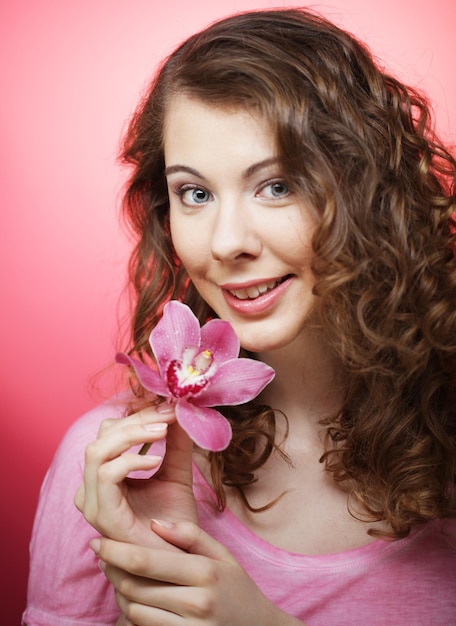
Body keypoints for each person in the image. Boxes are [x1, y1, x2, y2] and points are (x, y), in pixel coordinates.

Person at [22, 8, 456, 626]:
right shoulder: (114, 467)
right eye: (194, 194)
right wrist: (152, 569)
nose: (226, 243)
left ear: (367, 192)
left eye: (276, 185)